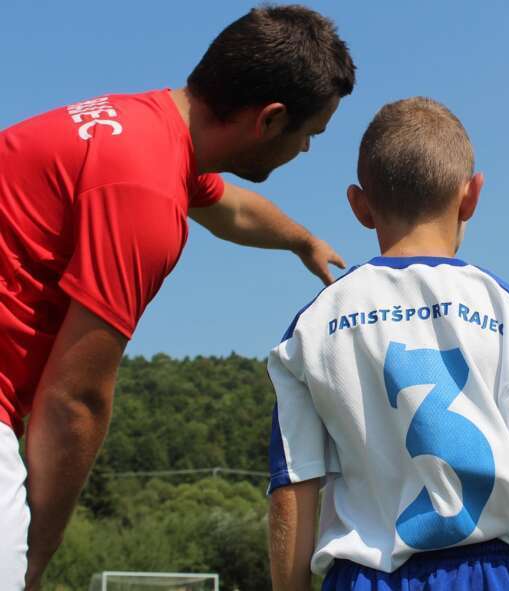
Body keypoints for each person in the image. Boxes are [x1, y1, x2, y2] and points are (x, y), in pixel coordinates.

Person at [0, 5, 355, 589]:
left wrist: (302, 241)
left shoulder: (140, 125)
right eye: (309, 135)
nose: (307, 150)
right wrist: (36, 554)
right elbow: (74, 400)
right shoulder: (145, 193)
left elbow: (230, 207)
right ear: (270, 120)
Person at [266, 97, 509, 591]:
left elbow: (293, 488)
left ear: (359, 206)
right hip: (493, 575)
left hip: (364, 577)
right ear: (471, 196)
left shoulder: (314, 325)